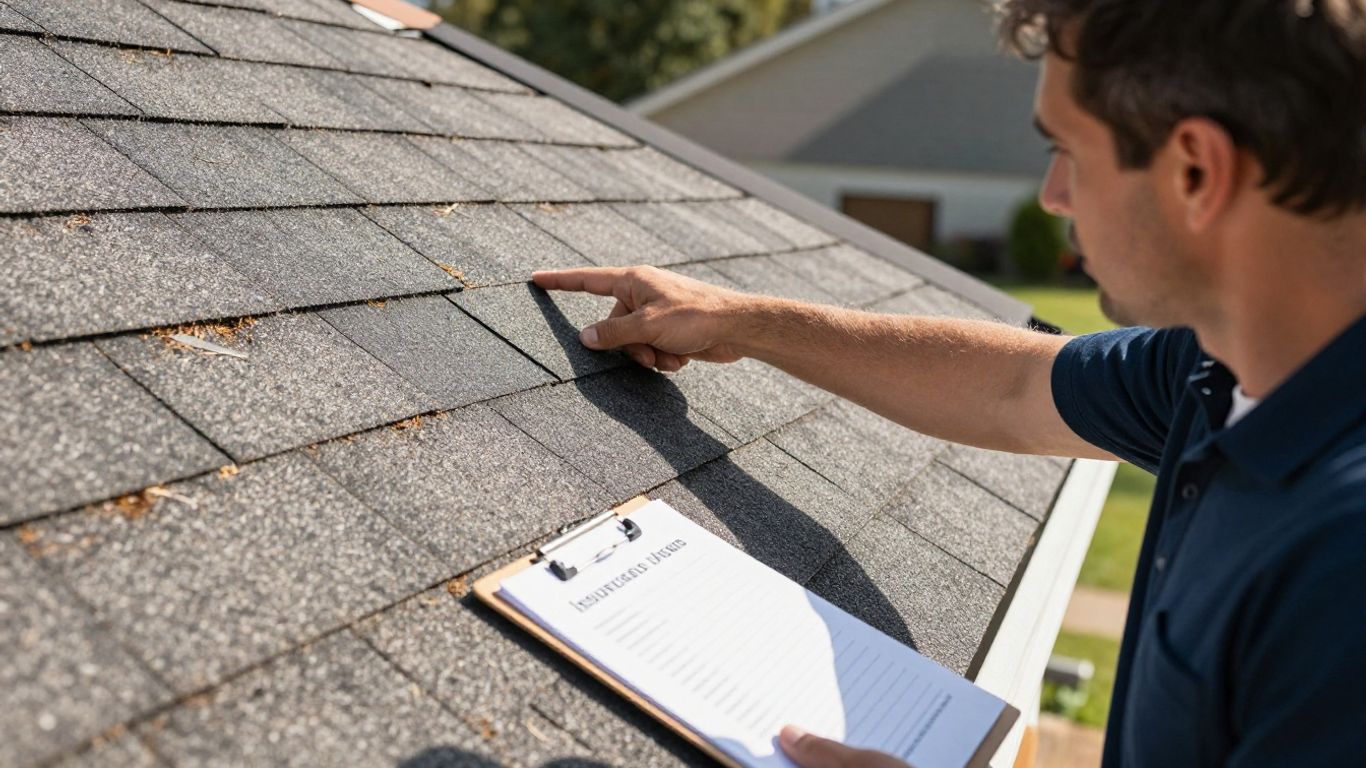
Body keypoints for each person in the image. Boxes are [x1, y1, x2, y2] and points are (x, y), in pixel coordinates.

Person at [533, 0, 1366, 764]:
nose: (1052, 197)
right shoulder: (1218, 371)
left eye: (1067, 150)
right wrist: (741, 319)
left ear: (1195, 172)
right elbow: (1012, 385)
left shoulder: (1341, 567)